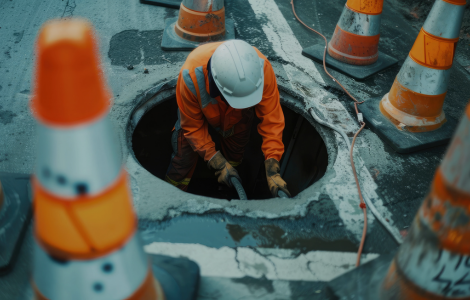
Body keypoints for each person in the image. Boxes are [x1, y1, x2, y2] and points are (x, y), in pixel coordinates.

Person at [165, 40, 291, 198]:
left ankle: (226, 192)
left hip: (237, 120)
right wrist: (216, 162)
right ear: (217, 85)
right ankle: (173, 196)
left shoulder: (260, 69)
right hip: (197, 119)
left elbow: (272, 120)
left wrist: (272, 164)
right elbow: (193, 127)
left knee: (235, 156)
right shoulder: (191, 75)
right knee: (183, 157)